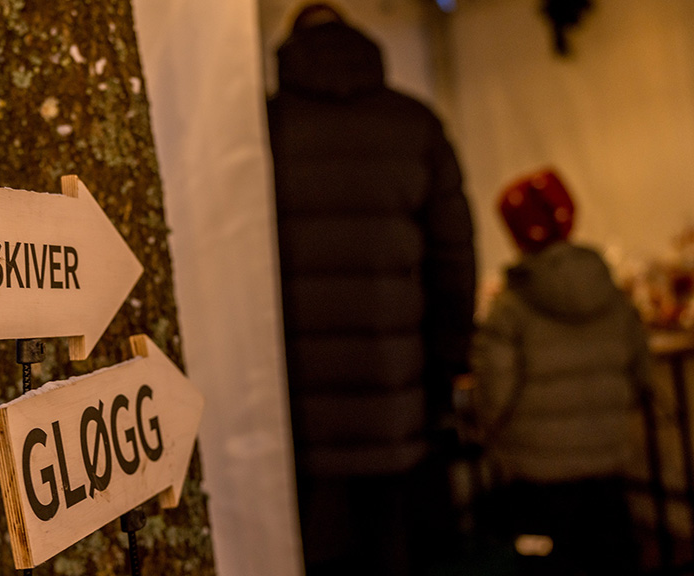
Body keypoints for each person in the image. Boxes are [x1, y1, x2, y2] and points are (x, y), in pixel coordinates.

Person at [267, 4, 476, 574]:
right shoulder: (415, 124)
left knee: (309, 551)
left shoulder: (262, 127)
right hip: (397, 396)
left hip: (296, 406)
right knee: (395, 550)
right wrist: (447, 365)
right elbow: (455, 259)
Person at [472, 168, 649, 575]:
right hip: (608, 455)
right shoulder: (611, 292)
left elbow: (493, 393)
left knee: (549, 562)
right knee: (613, 555)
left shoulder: (510, 307)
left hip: (537, 470)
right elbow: (641, 371)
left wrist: (491, 432)